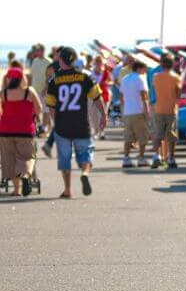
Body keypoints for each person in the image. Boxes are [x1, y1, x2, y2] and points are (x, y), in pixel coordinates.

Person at [44, 47, 107, 198]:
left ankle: (68, 190)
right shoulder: (85, 77)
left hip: (62, 124)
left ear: (60, 60)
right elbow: (97, 97)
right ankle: (85, 172)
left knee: (65, 158)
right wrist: (104, 115)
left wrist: (55, 122)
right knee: (85, 153)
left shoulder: (54, 80)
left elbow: (51, 106)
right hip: (81, 122)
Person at [0, 68, 42, 196]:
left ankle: (16, 190)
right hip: (25, 130)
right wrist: (33, 117)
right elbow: (39, 108)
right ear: (22, 78)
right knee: (28, 157)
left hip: (6, 131)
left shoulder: (3, 93)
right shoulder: (29, 91)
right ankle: (26, 175)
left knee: (9, 160)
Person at [150, 54, 181, 169]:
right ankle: (171, 157)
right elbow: (178, 94)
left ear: (162, 64)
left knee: (158, 134)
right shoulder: (176, 77)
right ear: (172, 64)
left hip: (158, 108)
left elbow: (155, 88)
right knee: (171, 135)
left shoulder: (156, 77)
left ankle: (156, 156)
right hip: (171, 109)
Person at [120, 61, 150, 168]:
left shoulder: (125, 79)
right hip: (138, 111)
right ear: (139, 68)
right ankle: (141, 158)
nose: (145, 71)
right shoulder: (140, 78)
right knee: (143, 136)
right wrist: (147, 111)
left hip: (127, 111)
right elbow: (144, 96)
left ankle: (126, 158)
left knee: (128, 137)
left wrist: (123, 109)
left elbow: (121, 95)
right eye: (144, 68)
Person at [90, 56, 112, 139]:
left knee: (103, 114)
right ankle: (95, 131)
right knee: (94, 114)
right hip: (93, 96)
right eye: (97, 62)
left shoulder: (106, 72)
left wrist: (107, 83)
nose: (99, 64)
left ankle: (101, 132)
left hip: (105, 95)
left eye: (101, 62)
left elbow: (111, 81)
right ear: (94, 63)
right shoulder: (91, 73)